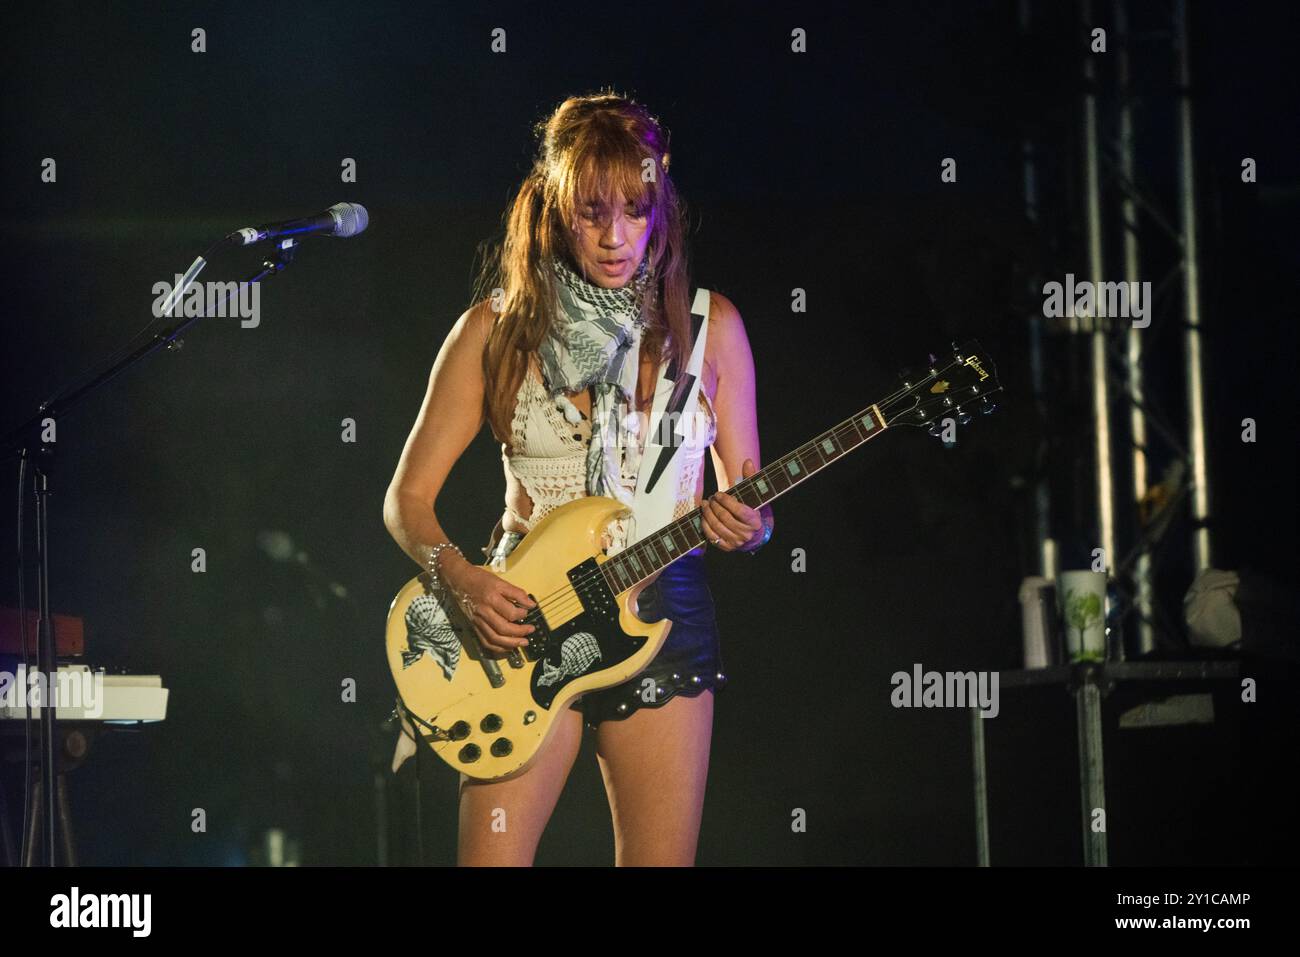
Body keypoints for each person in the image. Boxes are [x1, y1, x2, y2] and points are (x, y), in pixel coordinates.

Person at [383, 91, 774, 866]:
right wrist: (460, 580)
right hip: (526, 625)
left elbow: (751, 499)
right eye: (593, 211)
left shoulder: (711, 329)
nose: (616, 235)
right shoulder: (495, 331)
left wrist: (751, 525)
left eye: (635, 209)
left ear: (661, 208)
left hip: (661, 614)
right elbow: (407, 500)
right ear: (556, 208)